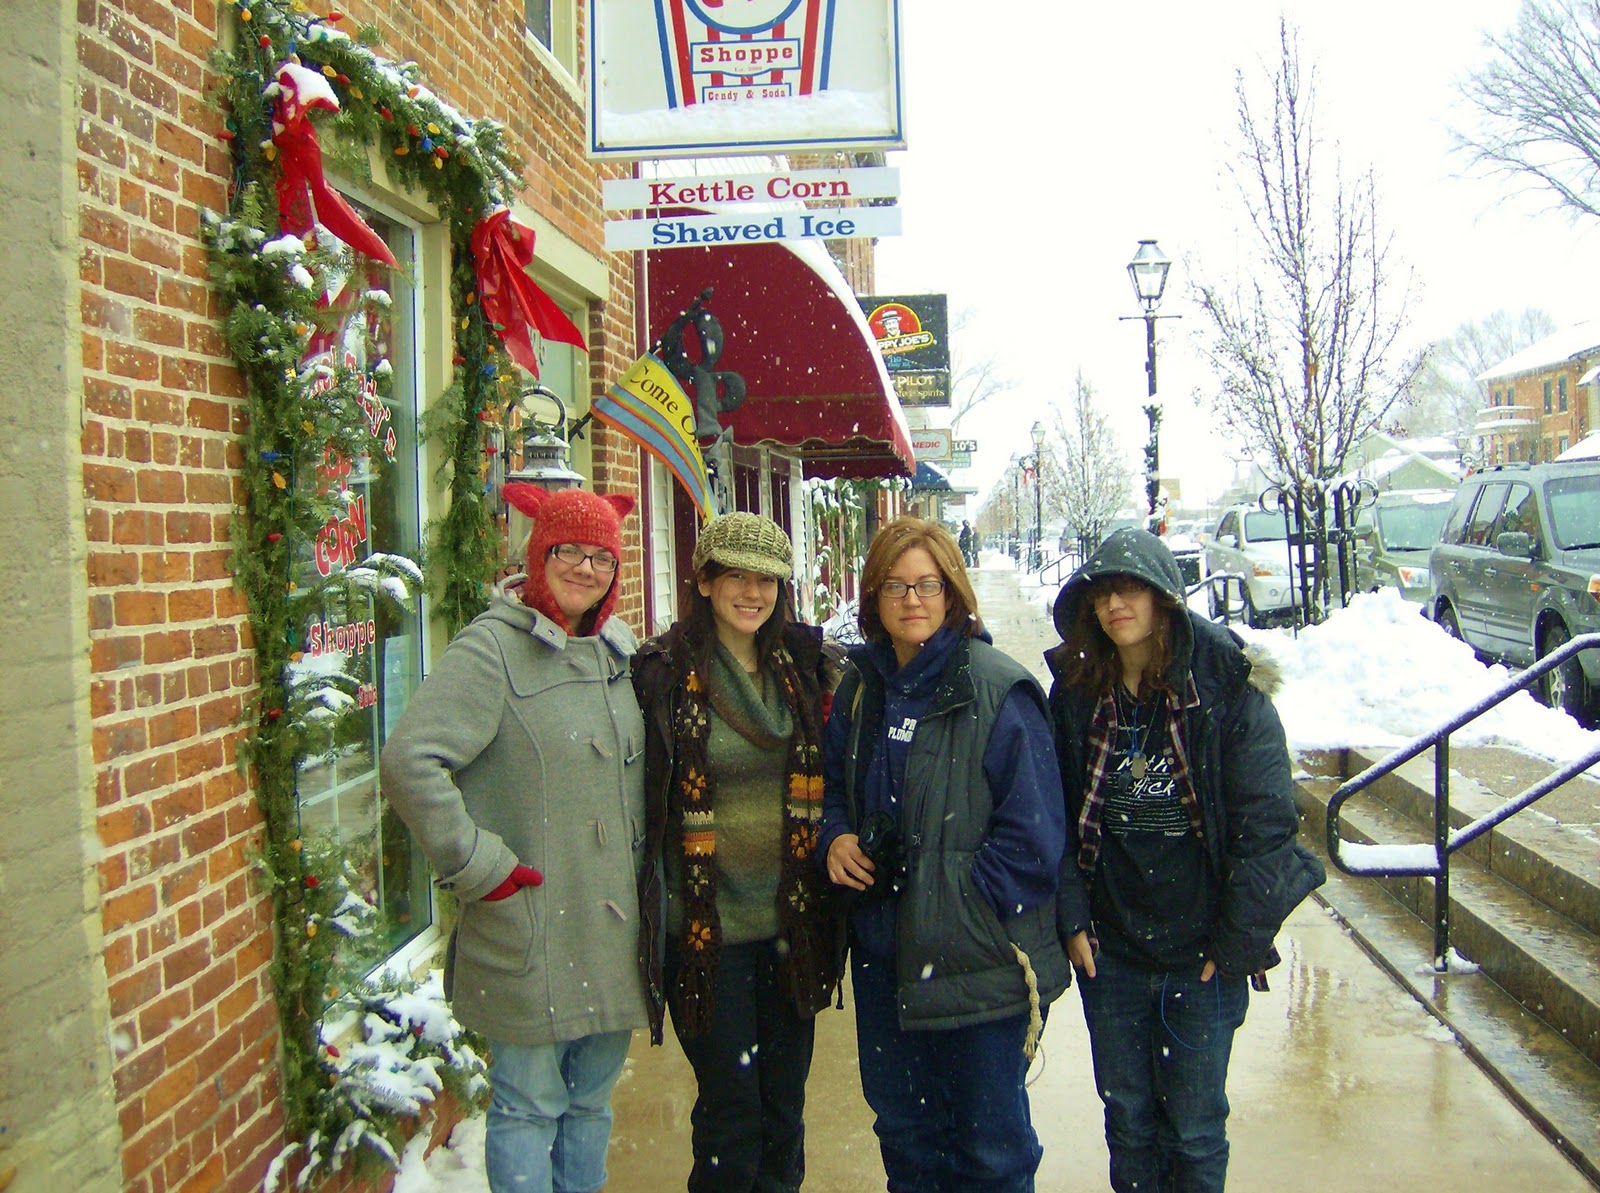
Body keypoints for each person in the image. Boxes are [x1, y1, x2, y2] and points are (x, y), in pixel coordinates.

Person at [379, 482, 650, 1193]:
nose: (586, 569)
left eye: (601, 557)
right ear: (538, 554)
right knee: (529, 1105)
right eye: (568, 551)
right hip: (532, 921)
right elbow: (410, 760)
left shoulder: (620, 653)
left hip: (613, 929)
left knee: (590, 1101)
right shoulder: (491, 648)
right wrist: (477, 863)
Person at [1046, 528, 1326, 1193]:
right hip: (1111, 955)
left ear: (1164, 597)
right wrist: (1073, 914)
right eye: (1103, 591)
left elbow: (1266, 825)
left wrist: (1234, 944)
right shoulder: (1080, 694)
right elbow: (1049, 814)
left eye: (1131, 587)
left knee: (1196, 1130)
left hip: (1201, 957)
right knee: (1130, 1121)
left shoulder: (1227, 689)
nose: (1116, 603)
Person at [818, 515, 1094, 1193]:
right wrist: (836, 837)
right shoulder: (861, 690)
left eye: (927, 584)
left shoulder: (998, 688)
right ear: (873, 598)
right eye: (895, 585)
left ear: (954, 593)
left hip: (979, 964)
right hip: (886, 961)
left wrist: (957, 903)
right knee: (908, 1140)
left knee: (991, 1153)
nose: (912, 599)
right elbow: (832, 791)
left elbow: (1033, 837)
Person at [632, 512, 842, 1193]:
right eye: (737, 576)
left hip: (793, 928)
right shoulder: (660, 676)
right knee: (730, 1117)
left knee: (783, 1113)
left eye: (767, 580)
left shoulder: (808, 668)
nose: (752, 592)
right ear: (705, 581)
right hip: (705, 936)